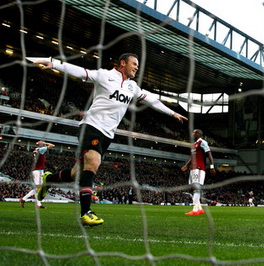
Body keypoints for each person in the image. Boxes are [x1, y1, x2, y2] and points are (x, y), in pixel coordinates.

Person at [33, 53, 187, 226]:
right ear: (123, 63)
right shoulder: (104, 75)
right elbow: (80, 72)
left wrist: (172, 113)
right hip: (91, 126)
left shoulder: (132, 87)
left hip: (107, 134)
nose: (137, 67)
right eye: (134, 64)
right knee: (93, 162)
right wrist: (54, 64)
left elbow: (151, 99)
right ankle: (86, 213)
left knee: (76, 174)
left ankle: (49, 179)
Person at [181, 129, 216, 215]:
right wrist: (186, 165)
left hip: (199, 168)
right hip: (193, 168)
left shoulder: (202, 142)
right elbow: (192, 157)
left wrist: (212, 167)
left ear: (198, 134)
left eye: (194, 133)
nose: (192, 134)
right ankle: (199, 208)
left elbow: (209, 154)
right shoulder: (194, 145)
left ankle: (195, 209)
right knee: (193, 187)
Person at [20, 140, 55, 209]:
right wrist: (45, 143)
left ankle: (28, 200)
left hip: (38, 170)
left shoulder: (37, 150)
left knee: (38, 188)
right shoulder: (41, 150)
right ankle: (27, 200)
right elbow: (52, 146)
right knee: (39, 188)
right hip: (38, 171)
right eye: (44, 144)